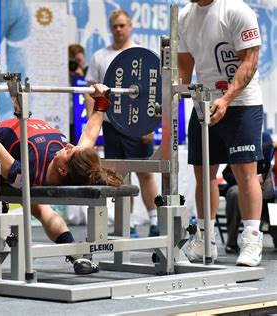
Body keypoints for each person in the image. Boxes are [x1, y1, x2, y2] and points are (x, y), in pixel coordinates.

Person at [0, 83, 121, 278]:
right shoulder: (75, 164)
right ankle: (76, 254)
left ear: (62, 169)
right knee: (42, 208)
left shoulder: (27, 172)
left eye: (69, 150)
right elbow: (89, 136)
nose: (69, 145)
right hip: (4, 152)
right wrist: (101, 104)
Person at [178, 0, 265, 266]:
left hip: (241, 104)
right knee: (204, 174)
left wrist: (226, 99)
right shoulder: (185, 16)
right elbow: (184, 64)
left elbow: (249, 62)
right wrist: (172, 100)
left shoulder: (237, 11)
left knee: (244, 173)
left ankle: (251, 240)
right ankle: (206, 240)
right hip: (204, 103)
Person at [84, 9, 159, 238]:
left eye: (122, 25)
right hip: (111, 125)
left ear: (130, 26)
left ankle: (155, 221)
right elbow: (90, 92)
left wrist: (151, 125)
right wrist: (91, 127)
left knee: (145, 173)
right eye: (115, 26)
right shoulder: (100, 57)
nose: (118, 29)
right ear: (110, 28)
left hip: (138, 127)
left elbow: (154, 94)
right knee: (118, 175)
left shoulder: (142, 55)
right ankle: (128, 224)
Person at [223, 133, 276, 253]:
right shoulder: (247, 153)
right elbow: (227, 173)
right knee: (235, 193)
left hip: (269, 203)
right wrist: (247, 181)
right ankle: (231, 242)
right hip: (245, 195)